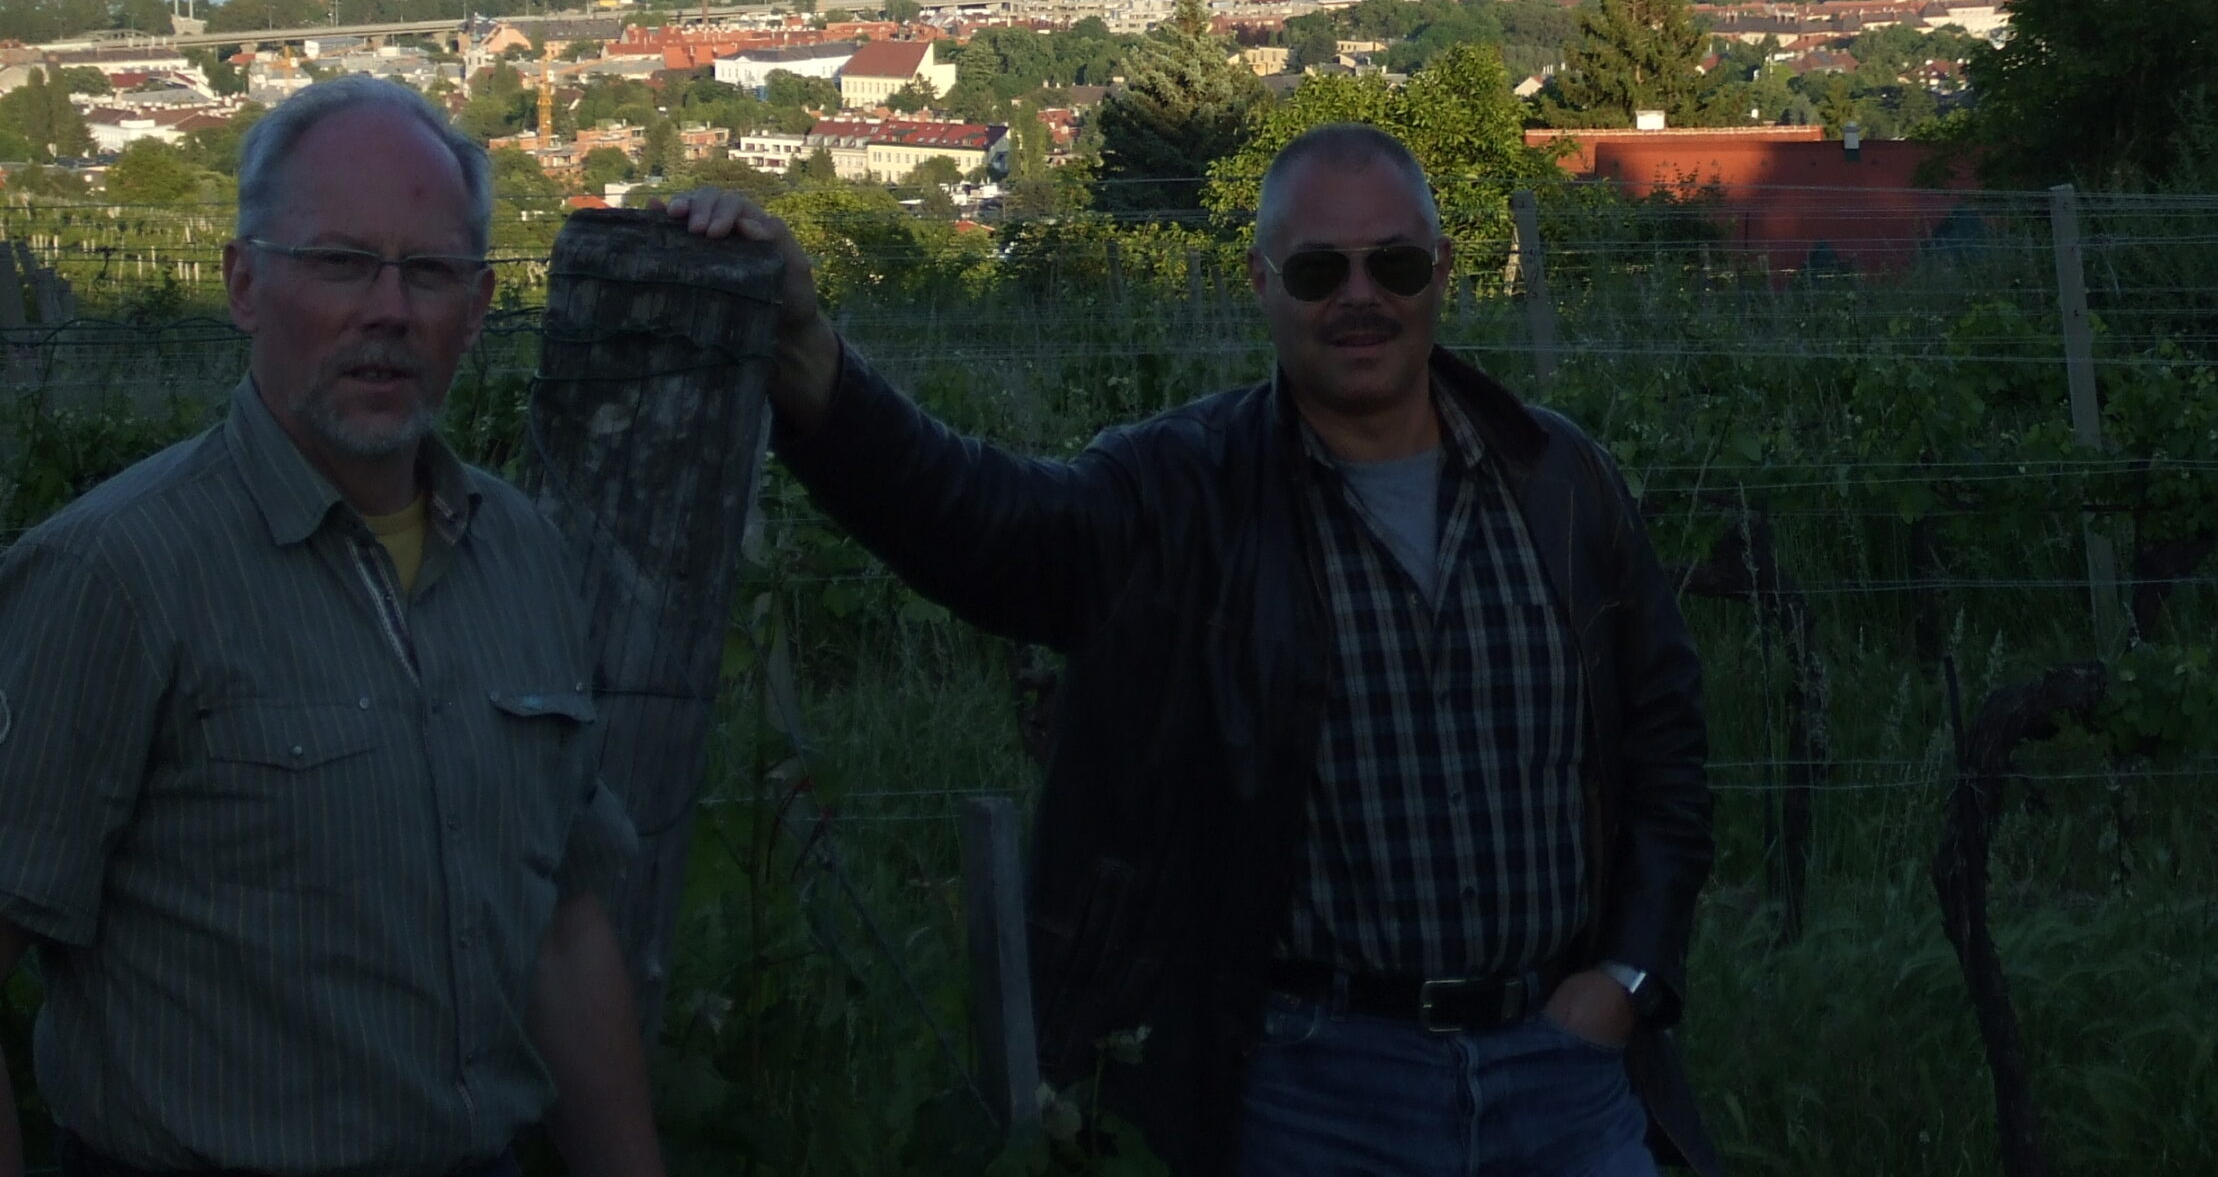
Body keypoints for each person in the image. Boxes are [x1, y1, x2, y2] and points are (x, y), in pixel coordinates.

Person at [672, 122, 1716, 1176]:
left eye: (1394, 265)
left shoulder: (1559, 482)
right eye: (1318, 271)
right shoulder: (1183, 493)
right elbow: (982, 524)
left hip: (1563, 1075)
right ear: (1260, 283)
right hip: (1314, 1089)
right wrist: (810, 359)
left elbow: (1666, 746)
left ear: (1443, 270)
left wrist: (1626, 980)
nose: (1361, 297)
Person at [0, 77, 662, 1177]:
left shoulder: (523, 557)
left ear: (477, 308)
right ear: (244, 284)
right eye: (341, 262)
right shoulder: (115, 576)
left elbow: (561, 927)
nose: (388, 311)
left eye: (429, 272)